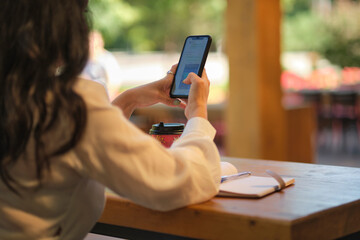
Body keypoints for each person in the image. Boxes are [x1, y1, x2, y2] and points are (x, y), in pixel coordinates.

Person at [0, 1, 220, 240]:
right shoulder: (71, 106)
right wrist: (197, 113)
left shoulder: (21, 96)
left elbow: (74, 146)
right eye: (81, 13)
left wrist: (128, 100)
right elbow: (180, 181)